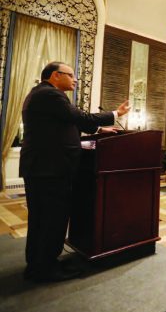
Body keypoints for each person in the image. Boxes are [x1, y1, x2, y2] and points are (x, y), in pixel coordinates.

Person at [20, 62, 129, 282]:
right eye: (71, 75)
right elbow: (81, 118)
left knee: (42, 219)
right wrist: (115, 113)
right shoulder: (50, 95)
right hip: (51, 169)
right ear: (55, 75)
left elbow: (68, 124)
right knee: (52, 219)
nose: (75, 80)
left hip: (44, 168)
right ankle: (46, 269)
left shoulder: (42, 95)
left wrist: (100, 129)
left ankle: (38, 263)